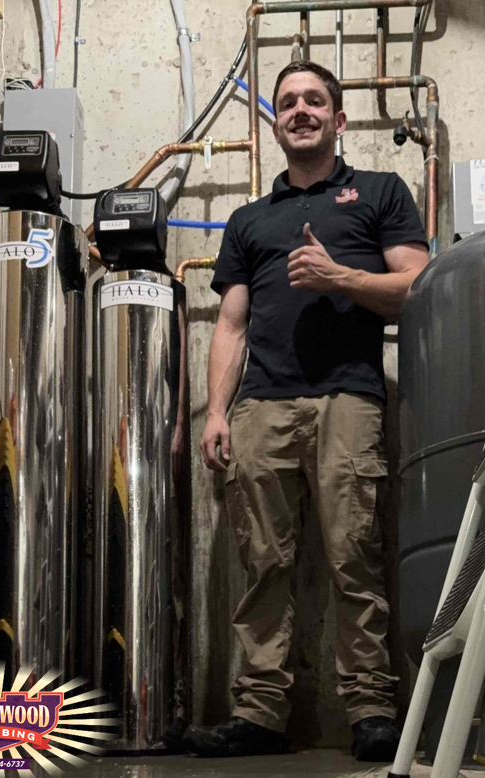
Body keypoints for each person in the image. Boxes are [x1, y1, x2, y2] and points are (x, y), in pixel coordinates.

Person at [183, 60, 429, 761]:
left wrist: (340, 278)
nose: (300, 110)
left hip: (349, 397)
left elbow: (415, 287)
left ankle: (372, 710)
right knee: (261, 561)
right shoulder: (249, 220)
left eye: (315, 100)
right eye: (288, 102)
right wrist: (216, 412)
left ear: (339, 119)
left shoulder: (379, 192)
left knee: (355, 555)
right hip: (262, 406)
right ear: (276, 121)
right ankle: (259, 713)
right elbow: (231, 324)